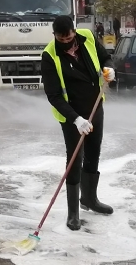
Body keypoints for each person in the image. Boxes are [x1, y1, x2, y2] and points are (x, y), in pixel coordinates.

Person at [41, 17, 114, 230]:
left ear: (74, 31)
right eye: (61, 38)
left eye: (69, 36)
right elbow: (53, 95)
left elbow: (105, 58)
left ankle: (89, 199)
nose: (66, 41)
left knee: (93, 153)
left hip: (95, 108)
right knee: (74, 158)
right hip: (72, 115)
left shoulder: (88, 37)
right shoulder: (49, 56)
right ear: (54, 35)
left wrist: (109, 68)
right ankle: (73, 212)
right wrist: (76, 119)